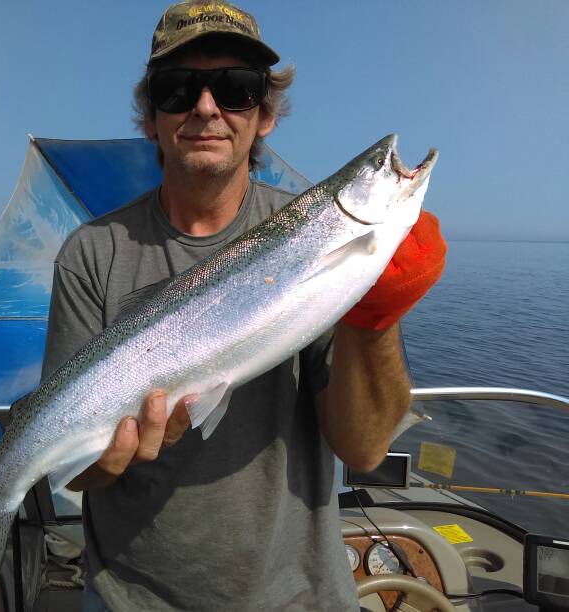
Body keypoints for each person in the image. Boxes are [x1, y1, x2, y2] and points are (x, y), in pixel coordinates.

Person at [41, 1, 447, 610]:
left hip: (298, 596)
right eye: (177, 90)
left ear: (265, 115)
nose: (207, 108)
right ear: (150, 117)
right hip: (131, 598)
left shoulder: (316, 236)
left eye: (236, 89)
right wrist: (110, 458)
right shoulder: (91, 254)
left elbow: (364, 451)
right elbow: (77, 471)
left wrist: (376, 319)